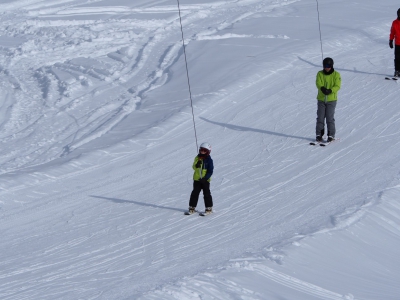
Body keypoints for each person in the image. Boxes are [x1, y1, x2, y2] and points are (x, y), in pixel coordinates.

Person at [315, 57, 341, 143]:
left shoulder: (336, 75)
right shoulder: (320, 74)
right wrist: (322, 88)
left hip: (331, 100)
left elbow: (337, 86)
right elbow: (318, 82)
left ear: (332, 65)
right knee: (320, 118)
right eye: (325, 65)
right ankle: (319, 135)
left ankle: (331, 135)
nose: (326, 67)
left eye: (328, 66)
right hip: (321, 99)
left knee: (329, 118)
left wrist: (330, 90)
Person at [187, 142, 214, 215]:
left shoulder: (209, 160)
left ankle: (208, 208)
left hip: (205, 180)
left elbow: (210, 171)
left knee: (206, 194)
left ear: (208, 151)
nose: (202, 151)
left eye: (204, 150)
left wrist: (205, 178)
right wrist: (197, 165)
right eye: (201, 149)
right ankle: (192, 207)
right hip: (197, 179)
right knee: (194, 193)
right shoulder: (197, 157)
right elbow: (193, 167)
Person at [389, 8, 400, 77]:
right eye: (399, 14)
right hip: (397, 43)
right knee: (397, 58)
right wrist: (391, 40)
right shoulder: (395, 22)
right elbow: (392, 32)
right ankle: (397, 71)